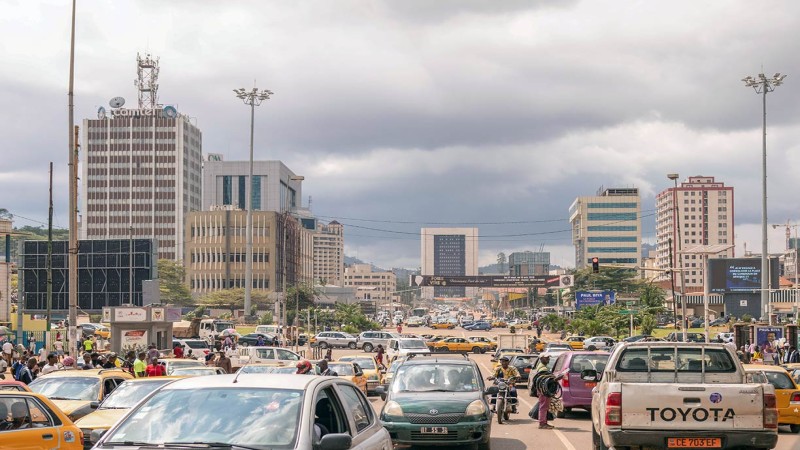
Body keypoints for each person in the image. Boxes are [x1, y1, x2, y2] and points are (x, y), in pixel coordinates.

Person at [533, 354, 563, 430]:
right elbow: (546, 381)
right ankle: (542, 423)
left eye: (548, 358)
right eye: (546, 358)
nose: (548, 359)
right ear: (541, 359)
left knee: (544, 406)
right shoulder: (543, 369)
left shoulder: (542, 367)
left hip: (542, 390)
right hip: (543, 390)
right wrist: (557, 379)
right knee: (543, 407)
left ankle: (544, 422)